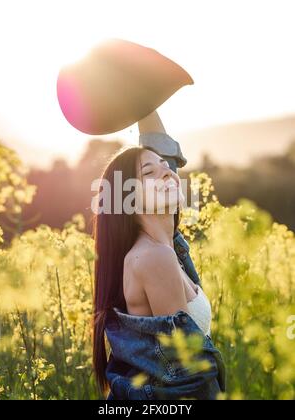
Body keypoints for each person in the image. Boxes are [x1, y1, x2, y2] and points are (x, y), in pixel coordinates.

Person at [92, 111, 225, 400]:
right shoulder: (154, 258)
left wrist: (144, 101)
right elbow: (189, 374)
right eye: (149, 174)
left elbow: (166, 157)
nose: (167, 173)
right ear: (128, 197)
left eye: (166, 167)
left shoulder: (168, 247)